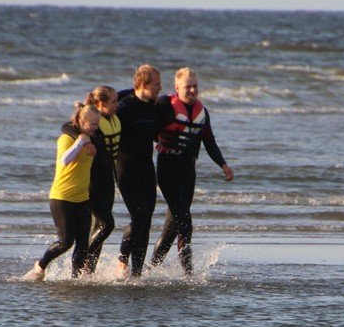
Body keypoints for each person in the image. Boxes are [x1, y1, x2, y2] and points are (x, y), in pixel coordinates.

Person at [149, 67, 234, 276]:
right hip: (167, 169)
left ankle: (150, 270)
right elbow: (145, 126)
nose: (193, 90)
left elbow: (210, 142)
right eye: (188, 87)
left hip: (188, 172)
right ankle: (189, 275)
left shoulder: (201, 112)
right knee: (185, 222)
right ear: (177, 87)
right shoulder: (163, 105)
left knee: (172, 229)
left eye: (195, 86)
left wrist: (223, 164)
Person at [24, 92, 104, 280]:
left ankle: (76, 280)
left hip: (82, 197)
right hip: (62, 197)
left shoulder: (91, 138)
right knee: (66, 242)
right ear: (82, 122)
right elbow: (65, 160)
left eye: (97, 124)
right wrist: (79, 143)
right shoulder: (67, 139)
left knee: (83, 243)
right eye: (92, 124)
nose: (95, 128)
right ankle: (40, 265)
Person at [113, 65, 163, 278]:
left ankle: (137, 274)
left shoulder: (155, 106)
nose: (160, 88)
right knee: (140, 216)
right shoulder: (123, 106)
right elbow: (95, 118)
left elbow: (155, 131)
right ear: (143, 84)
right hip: (125, 167)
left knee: (147, 220)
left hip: (146, 167)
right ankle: (122, 259)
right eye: (156, 84)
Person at [82, 85, 120, 273]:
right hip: (92, 181)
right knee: (107, 224)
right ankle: (83, 258)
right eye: (113, 102)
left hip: (108, 180)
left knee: (99, 226)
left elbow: (133, 92)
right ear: (100, 104)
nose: (117, 105)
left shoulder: (114, 118)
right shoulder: (91, 122)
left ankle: (88, 271)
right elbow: (68, 126)